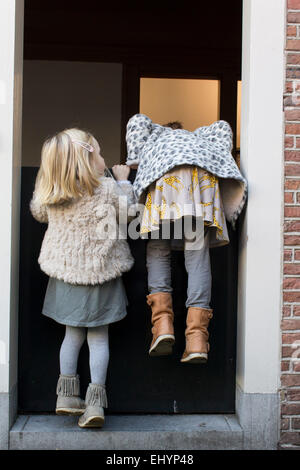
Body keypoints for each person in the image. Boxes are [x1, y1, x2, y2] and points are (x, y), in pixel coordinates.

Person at [30, 128, 135, 428]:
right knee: (99, 339)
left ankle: (65, 395)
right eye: (99, 153)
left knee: (72, 336)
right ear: (88, 159)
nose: (103, 159)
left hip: (66, 275)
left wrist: (49, 177)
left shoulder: (54, 191)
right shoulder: (106, 188)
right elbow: (129, 214)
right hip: (101, 275)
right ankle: (95, 405)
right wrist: (124, 180)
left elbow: (38, 212)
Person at [125, 114, 247, 364]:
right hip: (199, 183)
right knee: (197, 255)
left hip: (166, 181)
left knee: (158, 248)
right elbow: (223, 128)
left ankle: (163, 326)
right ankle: (197, 339)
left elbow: (136, 123)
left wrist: (135, 158)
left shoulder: (157, 139)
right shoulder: (201, 140)